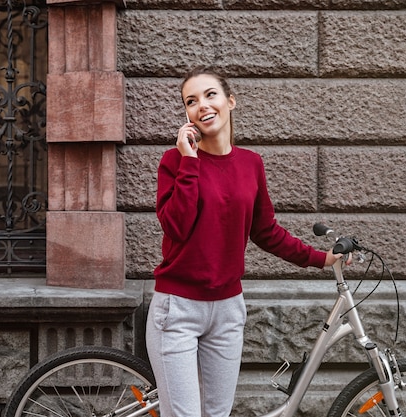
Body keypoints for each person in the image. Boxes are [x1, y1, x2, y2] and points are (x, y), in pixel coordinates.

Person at [145, 66, 346, 417]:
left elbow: (266, 231)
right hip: (178, 309)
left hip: (227, 310)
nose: (202, 106)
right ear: (187, 115)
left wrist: (321, 258)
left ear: (230, 101)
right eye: (191, 101)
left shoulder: (251, 164)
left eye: (210, 95)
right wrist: (190, 161)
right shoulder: (174, 160)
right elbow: (176, 226)